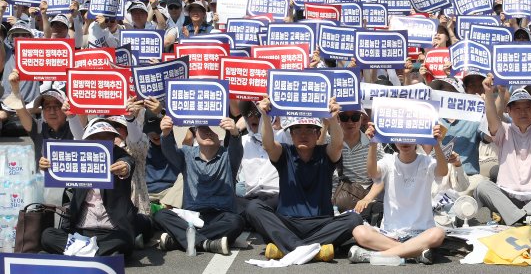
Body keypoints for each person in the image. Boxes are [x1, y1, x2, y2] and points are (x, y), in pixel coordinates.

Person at [244, 96, 362, 261]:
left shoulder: (325, 154)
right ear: (291, 135)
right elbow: (268, 144)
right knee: (253, 207)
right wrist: (264, 115)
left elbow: (337, 145)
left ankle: (289, 247)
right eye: (297, 129)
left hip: (322, 223)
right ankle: (309, 249)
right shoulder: (285, 153)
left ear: (318, 134)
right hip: (288, 223)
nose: (303, 134)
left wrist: (333, 120)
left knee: (354, 218)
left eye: (309, 129)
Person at [473, 74, 531, 229]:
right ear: (508, 111)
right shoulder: (504, 130)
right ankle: (525, 219)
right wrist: (489, 93)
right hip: (507, 196)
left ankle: (512, 217)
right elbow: (492, 118)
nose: (523, 112)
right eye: (517, 108)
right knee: (483, 187)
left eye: (528, 108)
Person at [347, 122, 448, 264]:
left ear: (418, 139)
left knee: (438, 234)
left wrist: (436, 144)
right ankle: (414, 252)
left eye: (409, 137)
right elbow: (372, 172)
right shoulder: (388, 161)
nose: (404, 141)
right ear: (393, 139)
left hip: (421, 232)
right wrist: (373, 143)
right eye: (399, 137)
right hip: (390, 233)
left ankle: (373, 256)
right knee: (359, 231)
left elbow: (443, 171)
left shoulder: (427, 161)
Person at [39, 121, 137, 257]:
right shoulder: (76, 156)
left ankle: (80, 253)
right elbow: (56, 166)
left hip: (112, 231)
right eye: (98, 137)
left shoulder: (120, 156)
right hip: (81, 232)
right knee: (47, 235)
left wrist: (124, 167)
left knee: (124, 241)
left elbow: (128, 163)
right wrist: (46, 166)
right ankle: (97, 254)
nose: (103, 142)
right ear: (88, 140)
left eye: (108, 138)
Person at [154, 117, 245, 255]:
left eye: (213, 130)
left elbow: (236, 147)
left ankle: (181, 240)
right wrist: (166, 133)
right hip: (192, 216)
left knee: (236, 222)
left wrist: (235, 132)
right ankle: (206, 243)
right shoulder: (186, 154)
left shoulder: (228, 155)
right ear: (195, 132)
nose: (208, 133)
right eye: (203, 129)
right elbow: (169, 151)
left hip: (221, 215)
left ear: (220, 133)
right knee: (161, 214)